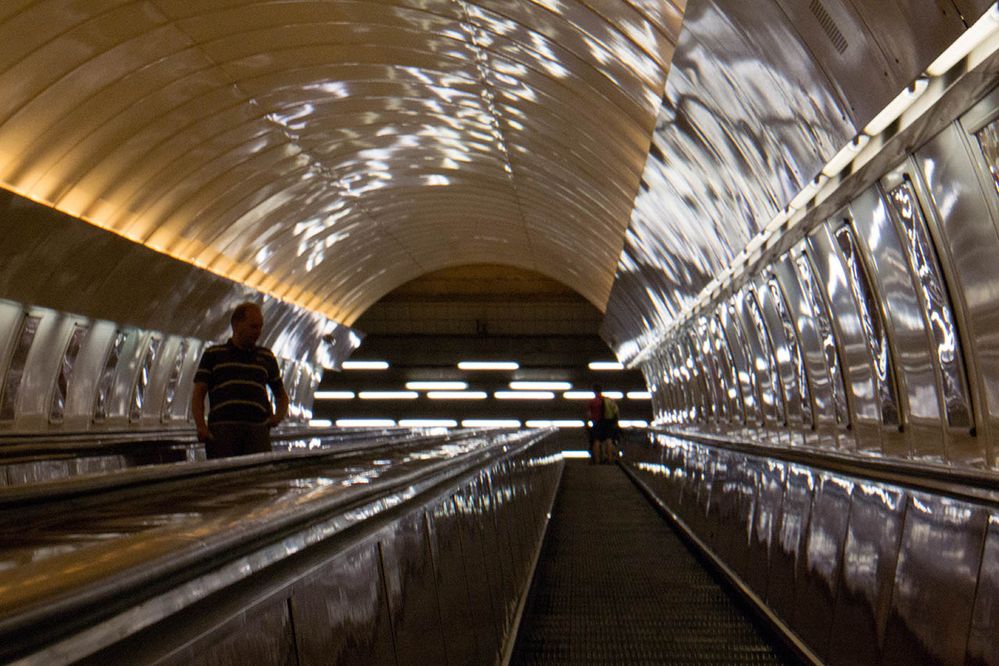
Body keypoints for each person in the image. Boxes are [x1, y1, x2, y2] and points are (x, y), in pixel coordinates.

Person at [192, 302, 288, 459]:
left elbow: (281, 395)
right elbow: (198, 394)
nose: (258, 332)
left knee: (257, 478)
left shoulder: (266, 357)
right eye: (253, 327)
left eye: (260, 327)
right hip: (223, 431)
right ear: (236, 326)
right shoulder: (213, 355)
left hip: (257, 430)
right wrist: (201, 426)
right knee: (224, 478)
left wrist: (277, 417)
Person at [586, 384, 619, 464]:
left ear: (594, 391)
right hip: (609, 422)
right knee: (609, 439)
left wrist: (589, 422)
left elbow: (589, 415)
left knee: (596, 441)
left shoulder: (593, 402)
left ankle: (597, 461)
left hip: (597, 423)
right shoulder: (609, 400)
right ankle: (610, 459)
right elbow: (616, 411)